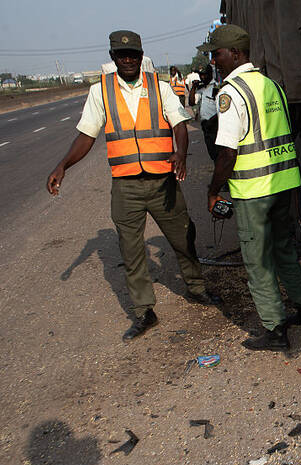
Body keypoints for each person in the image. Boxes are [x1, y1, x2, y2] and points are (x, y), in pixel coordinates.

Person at [46, 30, 221, 341]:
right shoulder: (100, 92)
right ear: (113, 58)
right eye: (121, 55)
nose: (127, 59)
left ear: (141, 56)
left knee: (182, 236)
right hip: (125, 187)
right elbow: (87, 135)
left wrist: (180, 153)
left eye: (133, 55)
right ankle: (144, 312)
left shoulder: (160, 87)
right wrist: (63, 166)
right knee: (131, 249)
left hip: (162, 182)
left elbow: (179, 123)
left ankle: (196, 287)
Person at [198, 24, 301, 351]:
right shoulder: (273, 87)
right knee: (283, 250)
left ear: (235, 53)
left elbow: (227, 153)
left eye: (217, 53)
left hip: (254, 192)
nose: (213, 60)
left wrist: (213, 191)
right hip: (284, 185)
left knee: (258, 262)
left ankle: (275, 330)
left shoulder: (230, 93)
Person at [188, 65, 220, 161]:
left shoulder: (216, 88)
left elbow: (221, 109)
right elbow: (192, 102)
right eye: (201, 75)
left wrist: (212, 121)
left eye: (205, 75)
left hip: (215, 125)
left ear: (210, 75)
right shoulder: (201, 89)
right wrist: (193, 88)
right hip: (206, 126)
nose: (202, 77)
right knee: (212, 154)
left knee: (218, 153)